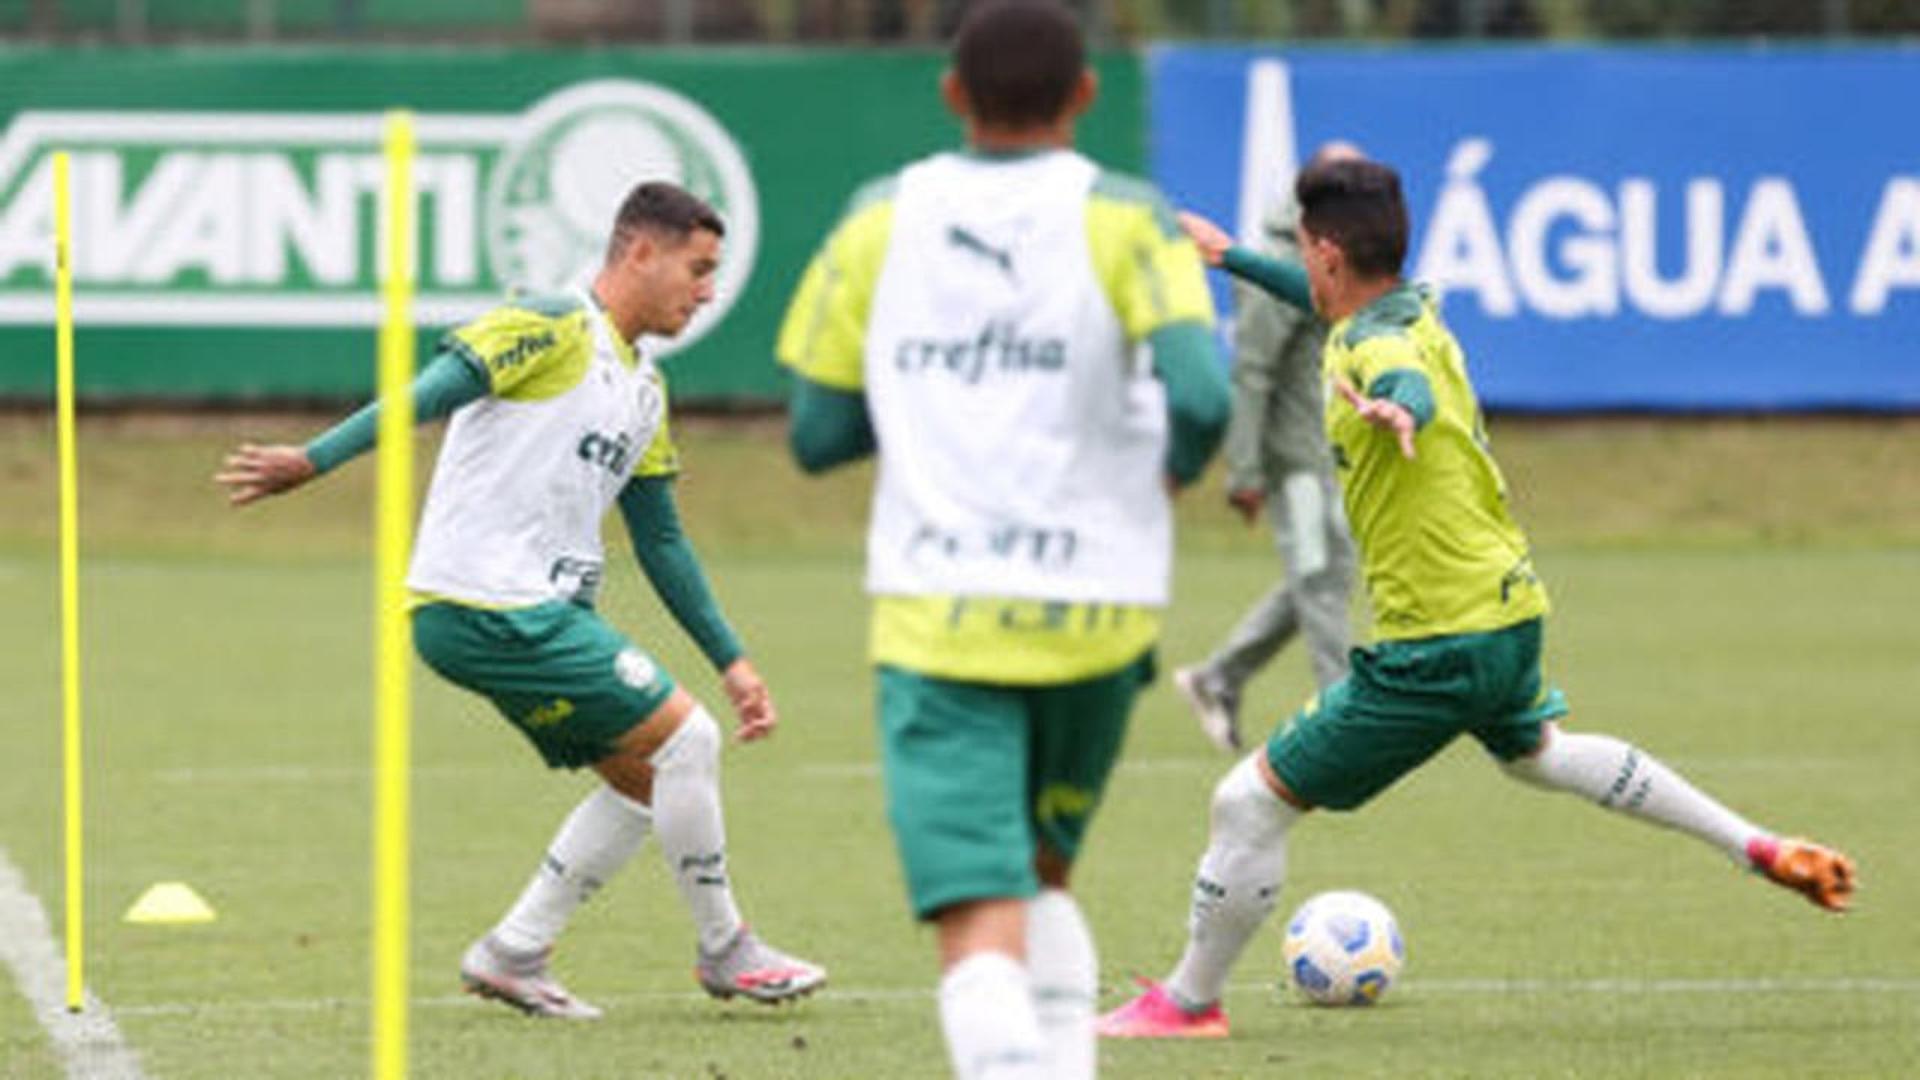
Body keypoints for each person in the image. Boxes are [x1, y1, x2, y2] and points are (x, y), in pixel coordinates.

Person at [1097, 157, 1857, 1040]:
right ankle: (1756, 847)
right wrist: (1230, 257)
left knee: (1247, 803)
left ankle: (1188, 1002)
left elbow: (1396, 378)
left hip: (1438, 647)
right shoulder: (1408, 305)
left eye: (1302, 250)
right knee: (1537, 754)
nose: (1300, 264)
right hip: (1508, 611)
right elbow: (1336, 313)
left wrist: (1401, 411)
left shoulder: (1378, 349)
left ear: (1330, 255)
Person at [214, 180, 825, 1019]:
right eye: (698, 267)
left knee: (649, 781)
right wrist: (313, 461)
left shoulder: (646, 387)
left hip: (531, 616)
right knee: (691, 742)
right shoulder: (547, 323)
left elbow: (662, 539)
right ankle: (727, 948)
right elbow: (429, 393)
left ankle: (514, 952)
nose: (708, 290)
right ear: (640, 251)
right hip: (485, 604)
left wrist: (733, 657)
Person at [775, 3, 1228, 1075]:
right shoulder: (1130, 217)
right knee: (1042, 876)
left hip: (944, 619)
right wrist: (1163, 475)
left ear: (950, 94)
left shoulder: (881, 217)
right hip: (1101, 610)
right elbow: (1205, 397)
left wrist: (943, 410)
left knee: (979, 916)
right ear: (1084, 95)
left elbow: (817, 433)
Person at [1173, 142, 1363, 754]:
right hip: (1293, 459)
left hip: (1325, 451)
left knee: (1327, 571)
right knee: (1319, 575)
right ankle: (1345, 718)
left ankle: (1218, 677)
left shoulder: (1333, 260)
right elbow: (1251, 373)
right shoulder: (1281, 262)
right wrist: (1245, 470)